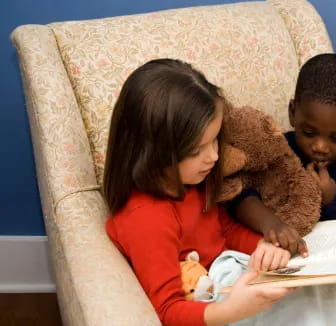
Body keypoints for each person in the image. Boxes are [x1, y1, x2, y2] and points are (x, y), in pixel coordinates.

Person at [103, 58, 294, 326]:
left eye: (215, 139)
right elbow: (168, 311)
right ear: (153, 153)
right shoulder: (147, 219)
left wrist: (261, 247)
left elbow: (223, 230)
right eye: (196, 150)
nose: (214, 156)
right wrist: (235, 310)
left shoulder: (191, 180)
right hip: (216, 307)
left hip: (235, 280)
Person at [233, 53, 336, 256]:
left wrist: (333, 199)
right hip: (284, 257)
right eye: (309, 133)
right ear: (292, 112)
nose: (320, 146)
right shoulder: (277, 149)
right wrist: (270, 222)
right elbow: (238, 194)